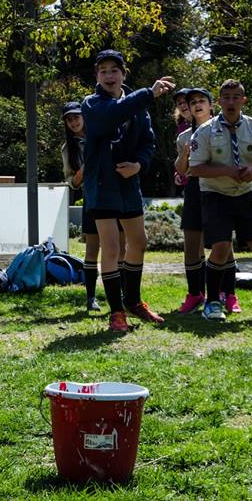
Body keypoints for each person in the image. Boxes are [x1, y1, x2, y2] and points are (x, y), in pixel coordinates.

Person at [81, 49, 175, 332]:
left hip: (128, 185)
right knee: (111, 248)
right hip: (102, 185)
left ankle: (132, 301)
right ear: (97, 76)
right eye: (103, 71)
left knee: (139, 241)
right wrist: (148, 93)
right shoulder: (92, 103)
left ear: (124, 74)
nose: (109, 76)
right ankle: (116, 313)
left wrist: (138, 165)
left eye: (114, 70)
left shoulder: (138, 105)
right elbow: (109, 117)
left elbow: (148, 142)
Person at [188, 79, 252, 321]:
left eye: (236, 97)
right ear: (219, 101)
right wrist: (227, 171)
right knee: (221, 247)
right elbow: (195, 168)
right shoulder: (205, 131)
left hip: (245, 194)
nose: (231, 102)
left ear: (243, 100)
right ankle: (213, 303)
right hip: (215, 195)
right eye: (226, 97)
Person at [175, 87, 242, 314]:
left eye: (201, 100)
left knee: (223, 243)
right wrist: (184, 155)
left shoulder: (225, 129)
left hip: (218, 189)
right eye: (192, 102)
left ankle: (229, 294)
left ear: (211, 105)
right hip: (194, 189)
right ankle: (195, 294)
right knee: (191, 244)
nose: (197, 105)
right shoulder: (184, 137)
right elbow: (181, 170)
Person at [60, 102, 100, 312]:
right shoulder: (68, 149)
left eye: (76, 117)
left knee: (119, 248)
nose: (74, 122)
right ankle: (91, 297)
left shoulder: (100, 135)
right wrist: (83, 170)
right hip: (91, 198)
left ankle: (122, 295)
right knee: (92, 249)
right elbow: (72, 183)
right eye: (69, 119)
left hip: (113, 194)